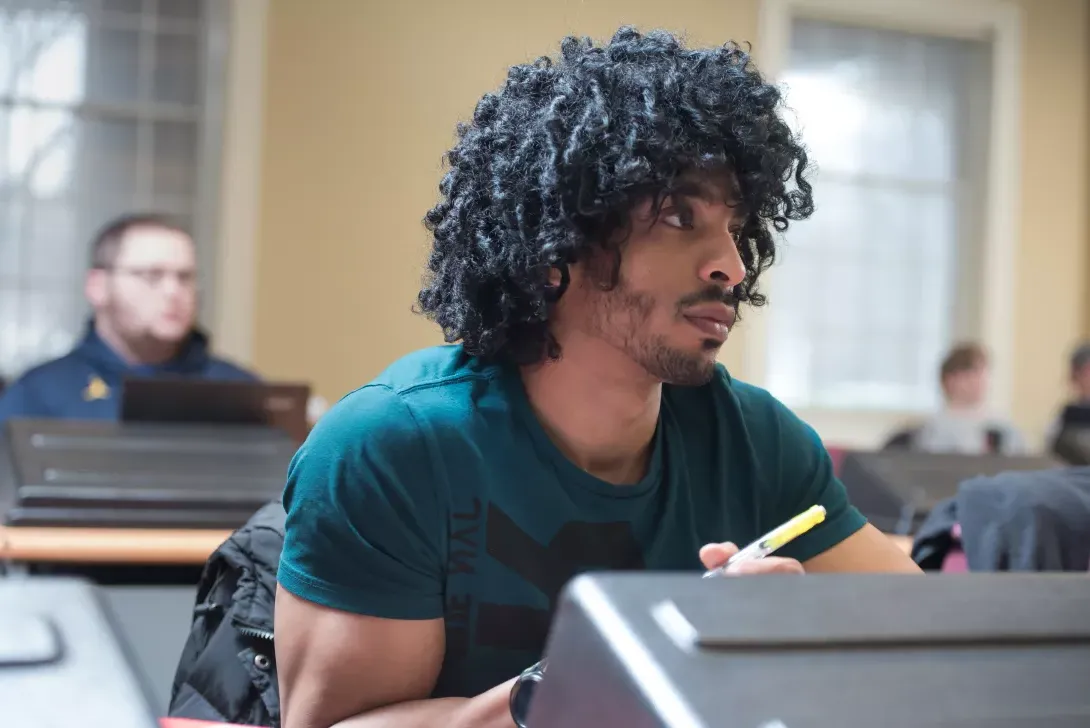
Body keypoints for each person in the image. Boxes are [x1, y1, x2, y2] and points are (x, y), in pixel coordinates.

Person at [275, 28, 921, 728]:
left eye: (739, 227)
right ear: (559, 243)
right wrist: (604, 676)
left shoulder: (758, 441)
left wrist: (798, 654)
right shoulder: (392, 446)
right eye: (682, 215)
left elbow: (932, 655)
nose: (731, 267)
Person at [0, 213, 257, 426]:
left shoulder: (243, 394)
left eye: (184, 277)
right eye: (151, 275)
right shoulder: (38, 395)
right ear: (98, 286)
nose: (173, 291)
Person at [913, 343, 1027, 456]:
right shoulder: (933, 428)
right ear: (950, 380)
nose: (979, 380)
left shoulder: (1002, 426)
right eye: (971, 374)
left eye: (982, 373)